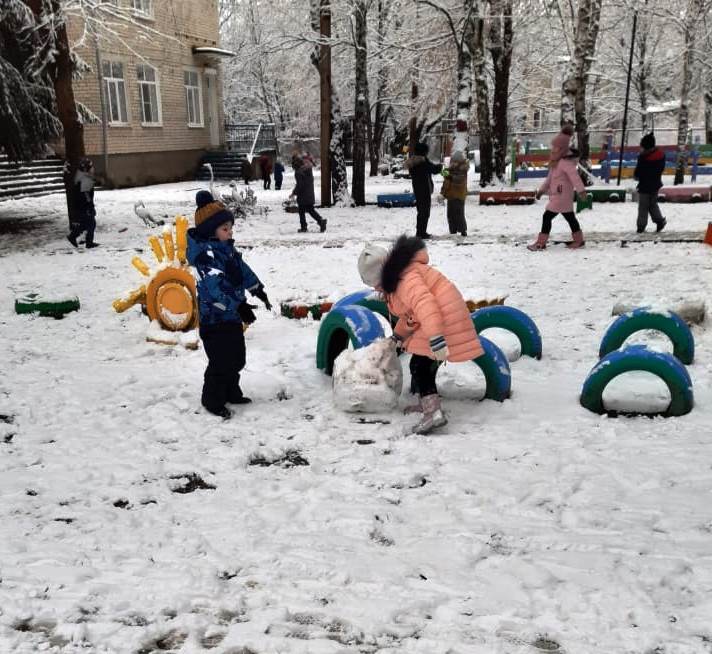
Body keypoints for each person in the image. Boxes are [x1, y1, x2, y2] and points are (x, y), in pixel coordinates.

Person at [357, 234, 484, 434]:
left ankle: (433, 413)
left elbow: (426, 305)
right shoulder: (399, 276)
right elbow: (412, 315)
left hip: (443, 319)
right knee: (423, 362)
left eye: (375, 285)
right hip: (437, 317)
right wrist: (398, 336)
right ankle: (428, 404)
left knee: (420, 364)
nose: (377, 290)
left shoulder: (406, 280)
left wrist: (436, 338)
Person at [187, 191, 272, 419]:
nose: (230, 232)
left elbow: (241, 270)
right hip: (214, 320)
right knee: (221, 361)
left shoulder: (227, 250)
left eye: (230, 227)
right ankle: (212, 398)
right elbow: (216, 290)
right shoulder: (205, 257)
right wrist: (239, 306)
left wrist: (257, 289)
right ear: (210, 231)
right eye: (225, 228)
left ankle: (231, 391)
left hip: (231, 316)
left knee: (237, 357)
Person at [528, 146, 586, 250]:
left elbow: (575, 178)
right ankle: (579, 240)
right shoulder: (556, 165)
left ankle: (541, 243)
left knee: (547, 217)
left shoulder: (566, 164)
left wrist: (581, 191)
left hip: (561, 196)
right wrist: (541, 191)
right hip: (559, 196)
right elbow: (548, 180)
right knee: (570, 218)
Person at [405, 142, 442, 239]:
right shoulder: (422, 162)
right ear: (423, 152)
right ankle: (421, 233)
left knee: (421, 211)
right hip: (424, 189)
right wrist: (440, 166)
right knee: (424, 212)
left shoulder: (414, 162)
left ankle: (420, 231)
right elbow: (433, 169)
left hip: (418, 189)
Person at [633, 133, 666, 233]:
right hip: (655, 184)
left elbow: (638, 172)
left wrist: (636, 176)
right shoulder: (661, 155)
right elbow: (660, 169)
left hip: (644, 185)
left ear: (646, 147)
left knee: (643, 206)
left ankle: (641, 226)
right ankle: (660, 221)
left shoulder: (643, 157)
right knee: (652, 204)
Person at [67, 157, 99, 249]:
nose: (93, 169)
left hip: (80, 206)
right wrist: (90, 207)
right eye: (91, 167)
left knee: (87, 223)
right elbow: (86, 196)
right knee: (90, 223)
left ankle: (84, 240)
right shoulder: (85, 179)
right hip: (83, 206)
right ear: (86, 168)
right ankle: (79, 239)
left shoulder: (82, 176)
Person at [290, 154, 326, 233]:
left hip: (303, 195)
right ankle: (320, 221)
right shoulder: (307, 170)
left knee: (302, 211)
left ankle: (305, 226)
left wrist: (294, 193)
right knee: (309, 210)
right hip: (309, 193)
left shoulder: (299, 172)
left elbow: (300, 185)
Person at [441, 150, 469, 236]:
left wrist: (449, 176)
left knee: (459, 214)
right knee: (450, 214)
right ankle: (452, 230)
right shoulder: (451, 169)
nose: (453, 163)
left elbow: (459, 180)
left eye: (455, 161)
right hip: (451, 195)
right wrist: (444, 172)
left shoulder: (463, 169)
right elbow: (445, 176)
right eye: (452, 161)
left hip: (459, 195)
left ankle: (462, 230)